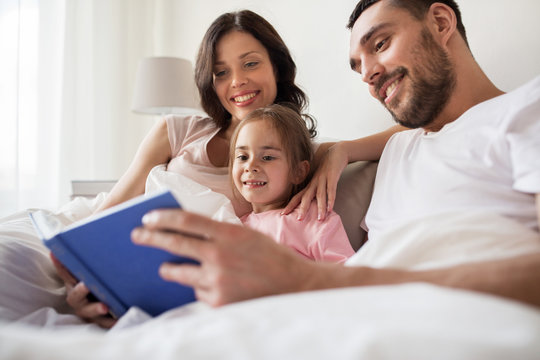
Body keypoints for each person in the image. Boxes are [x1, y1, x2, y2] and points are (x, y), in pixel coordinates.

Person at [131, 0, 540, 309]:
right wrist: (338, 150)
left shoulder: (526, 109)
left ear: (440, 22)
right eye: (357, 65)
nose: (368, 73)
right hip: (348, 315)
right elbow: (405, 133)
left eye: (380, 44)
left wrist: (309, 280)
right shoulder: (400, 146)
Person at [54, 9, 398, 327]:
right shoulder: (177, 131)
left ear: (276, 68)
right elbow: (105, 217)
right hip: (140, 273)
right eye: (221, 72)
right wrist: (84, 282)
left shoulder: (295, 155)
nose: (237, 81)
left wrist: (341, 151)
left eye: (250, 64)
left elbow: (413, 129)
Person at [231, 104, 354, 262]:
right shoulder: (234, 224)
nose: (250, 167)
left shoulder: (311, 219)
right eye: (242, 157)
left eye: (267, 157)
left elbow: (347, 274)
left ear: (298, 172)